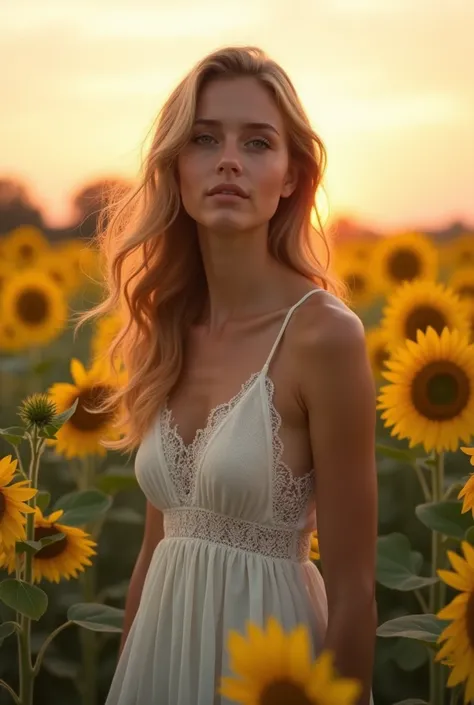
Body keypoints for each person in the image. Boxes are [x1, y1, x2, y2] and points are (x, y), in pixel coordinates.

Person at [95, 45, 378, 705]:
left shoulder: (323, 335)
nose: (228, 159)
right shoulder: (163, 332)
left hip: (274, 676)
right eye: (204, 139)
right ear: (176, 168)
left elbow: (357, 588)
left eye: (257, 142)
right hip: (159, 669)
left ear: (289, 176)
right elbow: (154, 549)